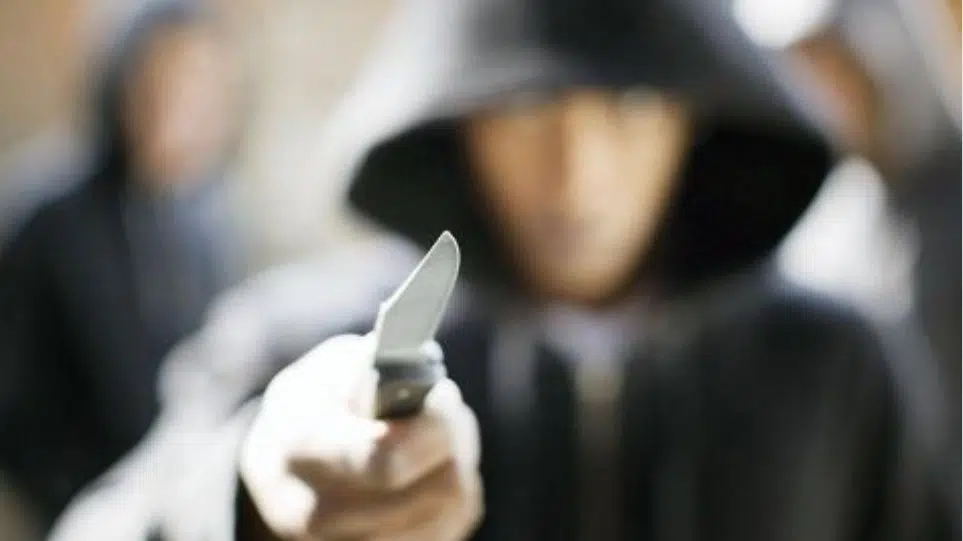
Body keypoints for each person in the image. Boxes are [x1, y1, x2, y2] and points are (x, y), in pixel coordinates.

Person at [52, 0, 945, 539]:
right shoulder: (305, 345)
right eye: (526, 109)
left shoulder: (836, 366)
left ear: (696, 114)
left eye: (628, 106)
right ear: (458, 115)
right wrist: (245, 496)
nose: (576, 174)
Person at [0, 0, 245, 530]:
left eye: (199, 89)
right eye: (162, 84)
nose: (179, 109)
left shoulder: (207, 224)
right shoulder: (48, 217)